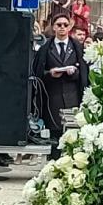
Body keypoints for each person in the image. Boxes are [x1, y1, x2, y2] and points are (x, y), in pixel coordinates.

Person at [34, 11, 87, 158]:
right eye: (59, 25)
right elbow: (38, 72)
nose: (62, 27)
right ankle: (54, 162)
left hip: (72, 95)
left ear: (69, 27)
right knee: (55, 132)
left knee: (72, 132)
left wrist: (74, 73)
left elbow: (84, 72)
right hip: (53, 96)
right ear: (54, 27)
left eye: (65, 25)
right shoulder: (45, 48)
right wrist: (50, 73)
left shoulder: (76, 47)